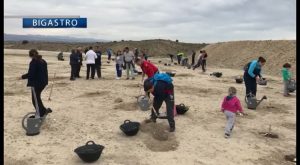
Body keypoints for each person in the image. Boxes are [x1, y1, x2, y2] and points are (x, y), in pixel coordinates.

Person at [20, 49, 52, 118]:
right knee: (37, 98)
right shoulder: (43, 61)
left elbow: (31, 74)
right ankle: (43, 110)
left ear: (30, 55)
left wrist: (22, 77)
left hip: (36, 84)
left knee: (35, 100)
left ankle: (39, 114)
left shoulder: (34, 62)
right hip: (43, 83)